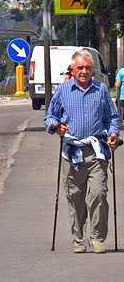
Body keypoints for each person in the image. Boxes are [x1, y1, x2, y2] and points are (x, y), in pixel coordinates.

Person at [44, 49, 120, 254]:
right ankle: (78, 240)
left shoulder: (101, 90)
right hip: (72, 153)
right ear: (72, 70)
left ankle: (96, 238)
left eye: (87, 67)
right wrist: (56, 127)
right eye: (80, 68)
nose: (84, 71)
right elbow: (50, 117)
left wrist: (113, 134)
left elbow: (112, 118)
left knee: (98, 194)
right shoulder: (63, 90)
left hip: (96, 151)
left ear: (92, 69)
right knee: (74, 197)